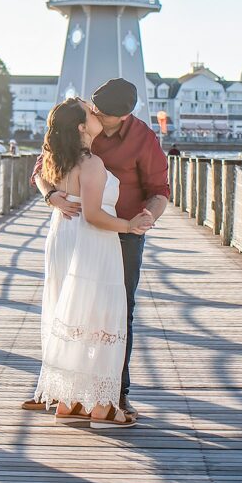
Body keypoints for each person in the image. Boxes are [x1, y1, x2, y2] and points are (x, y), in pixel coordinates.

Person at [24, 78, 170, 418]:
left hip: (122, 235)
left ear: (120, 117)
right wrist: (50, 194)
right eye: (93, 107)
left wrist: (146, 217)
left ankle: (115, 394)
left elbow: (161, 189)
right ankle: (65, 392)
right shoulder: (77, 128)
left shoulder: (142, 139)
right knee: (69, 307)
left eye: (100, 113)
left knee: (116, 313)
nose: (94, 113)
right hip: (77, 232)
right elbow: (40, 170)